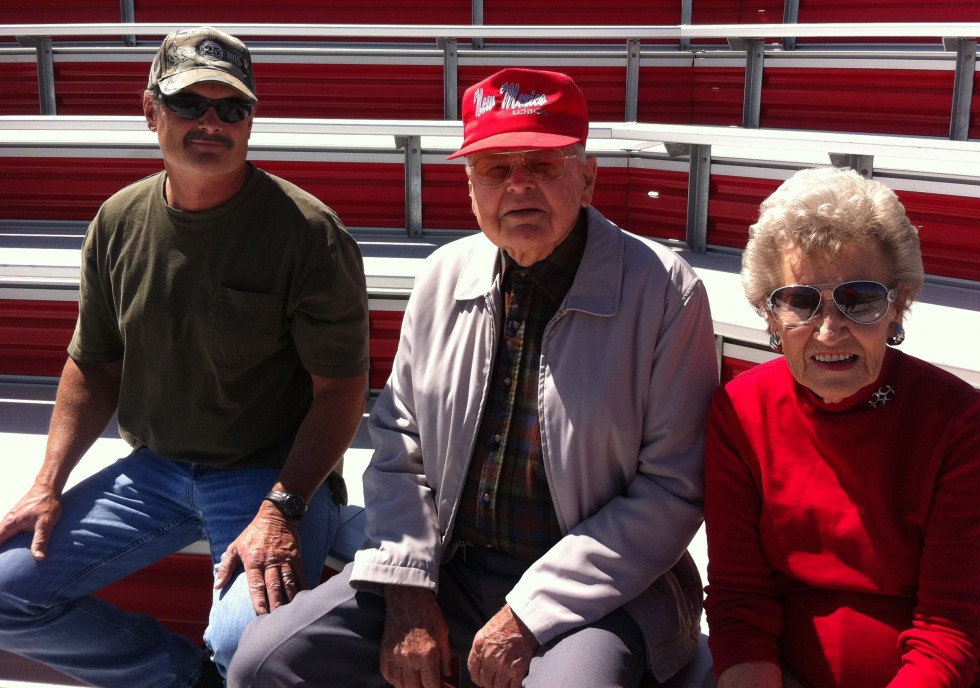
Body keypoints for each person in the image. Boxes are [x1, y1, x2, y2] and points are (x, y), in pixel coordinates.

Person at [227, 67, 718, 688]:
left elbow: (671, 490)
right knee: (263, 663)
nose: (517, 188)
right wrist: (408, 587)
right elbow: (397, 442)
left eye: (541, 165)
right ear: (469, 188)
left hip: (602, 591)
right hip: (451, 564)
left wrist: (527, 613)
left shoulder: (665, 291)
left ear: (587, 178)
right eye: (493, 169)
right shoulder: (442, 274)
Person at [0, 26, 370, 687]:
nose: (211, 122)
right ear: (150, 112)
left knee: (248, 648)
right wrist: (46, 482)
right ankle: (179, 677)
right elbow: (94, 364)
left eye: (231, 108)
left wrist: (282, 507)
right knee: (4, 589)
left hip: (265, 478)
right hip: (154, 470)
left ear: (251, 119)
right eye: (188, 103)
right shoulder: (118, 220)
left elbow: (340, 391)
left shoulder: (308, 233)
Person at [702, 166, 980, 687]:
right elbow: (741, 597)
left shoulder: (956, 420)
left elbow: (950, 629)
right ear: (771, 317)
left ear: (898, 308)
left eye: (860, 299)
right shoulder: (738, 410)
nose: (830, 330)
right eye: (800, 301)